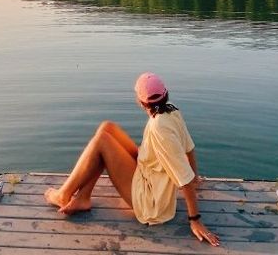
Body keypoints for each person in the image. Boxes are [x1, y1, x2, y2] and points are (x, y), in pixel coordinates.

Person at [44, 72, 220, 247]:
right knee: (107, 127)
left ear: (141, 102)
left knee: (101, 142)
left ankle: (63, 195)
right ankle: (83, 197)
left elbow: (184, 178)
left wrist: (195, 219)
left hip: (150, 202)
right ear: (166, 95)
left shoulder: (159, 128)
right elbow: (189, 147)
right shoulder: (171, 109)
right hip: (147, 171)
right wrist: (196, 177)